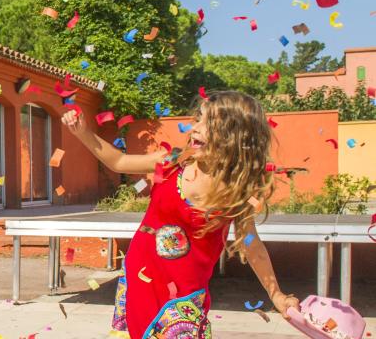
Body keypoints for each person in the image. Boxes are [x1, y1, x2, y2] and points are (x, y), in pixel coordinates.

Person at [62, 90, 300, 338]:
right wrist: (83, 133)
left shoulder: (234, 193)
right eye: (198, 118)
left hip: (182, 298)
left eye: (209, 123)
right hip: (141, 280)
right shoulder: (172, 162)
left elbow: (252, 245)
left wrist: (277, 295)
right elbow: (119, 162)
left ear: (234, 136)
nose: (195, 128)